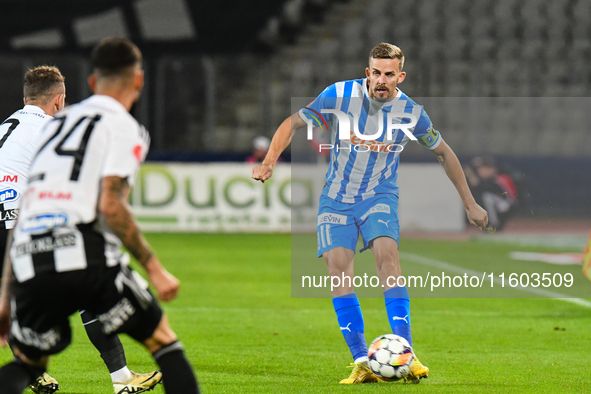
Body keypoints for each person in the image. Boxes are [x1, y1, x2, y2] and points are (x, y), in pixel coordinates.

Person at [252, 43, 488, 384]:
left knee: (387, 257)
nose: (381, 80)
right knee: (338, 270)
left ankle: (406, 353)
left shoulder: (410, 112)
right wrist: (269, 161)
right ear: (368, 72)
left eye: (389, 74)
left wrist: (469, 202)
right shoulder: (339, 95)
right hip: (336, 199)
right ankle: (362, 360)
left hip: (379, 195)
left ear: (400, 76)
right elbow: (292, 123)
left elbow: (444, 153)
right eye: (376, 72)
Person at [0, 38, 200, 394]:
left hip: (24, 237)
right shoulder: (115, 126)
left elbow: (32, 200)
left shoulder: (37, 125)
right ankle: (122, 378)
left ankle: (103, 375)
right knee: (164, 342)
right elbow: (110, 202)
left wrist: (5, 295)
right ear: (138, 81)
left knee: (27, 361)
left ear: (92, 82)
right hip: (67, 237)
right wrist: (153, 267)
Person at [464, 156, 519, 231]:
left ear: (491, 169)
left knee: (487, 197)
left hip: (507, 204)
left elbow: (511, 198)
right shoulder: (488, 180)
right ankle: (490, 225)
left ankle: (494, 224)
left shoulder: (499, 179)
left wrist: (471, 175)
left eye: (482, 168)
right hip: (498, 205)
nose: (480, 171)